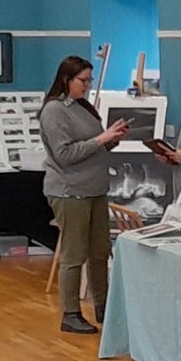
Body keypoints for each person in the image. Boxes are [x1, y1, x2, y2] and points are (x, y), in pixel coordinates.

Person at [39, 55, 128, 335]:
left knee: (100, 251)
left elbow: (93, 147)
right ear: (67, 79)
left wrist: (110, 140)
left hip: (95, 188)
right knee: (74, 254)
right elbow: (64, 155)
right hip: (70, 191)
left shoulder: (82, 108)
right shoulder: (54, 111)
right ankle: (70, 313)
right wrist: (100, 140)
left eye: (90, 80)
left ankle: (103, 305)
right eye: (83, 80)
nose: (88, 86)